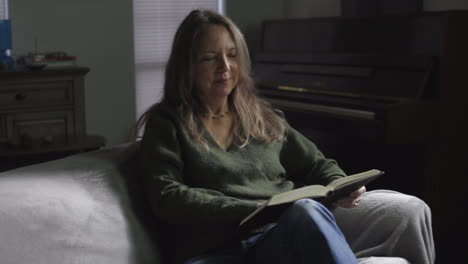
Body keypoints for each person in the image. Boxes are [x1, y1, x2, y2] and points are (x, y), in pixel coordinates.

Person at [137, 9, 435, 264]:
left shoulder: (260, 116)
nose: (225, 68)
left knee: (410, 209)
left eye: (232, 55)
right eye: (209, 58)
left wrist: (342, 184)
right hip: (224, 248)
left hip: (281, 234)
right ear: (186, 65)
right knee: (305, 210)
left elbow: (317, 163)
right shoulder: (166, 124)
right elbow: (168, 196)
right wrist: (252, 209)